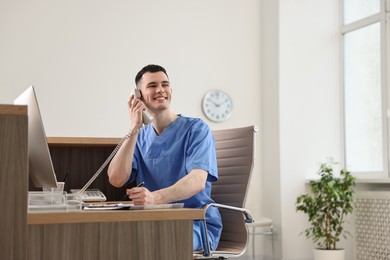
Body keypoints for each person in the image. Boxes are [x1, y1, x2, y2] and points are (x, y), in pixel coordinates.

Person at [107, 64, 222, 251]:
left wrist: (154, 198)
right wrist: (134, 128)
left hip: (194, 225)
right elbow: (116, 178)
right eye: (152, 86)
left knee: (150, 244)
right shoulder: (140, 137)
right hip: (153, 223)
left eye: (165, 84)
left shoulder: (196, 129)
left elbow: (198, 181)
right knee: (112, 240)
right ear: (138, 96)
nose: (160, 90)